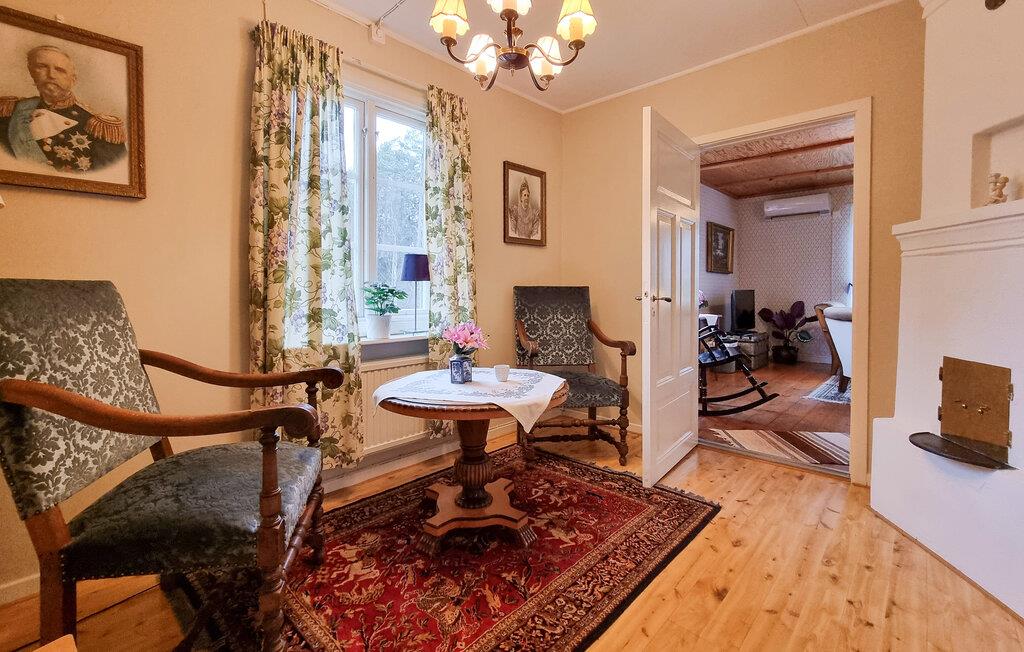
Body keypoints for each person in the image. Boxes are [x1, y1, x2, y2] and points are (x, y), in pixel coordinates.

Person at [0, 45, 127, 173]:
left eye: (60, 70)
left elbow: (109, 177)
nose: (51, 75)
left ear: (73, 80)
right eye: (42, 67)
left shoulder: (100, 127)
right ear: (32, 72)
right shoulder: (10, 112)